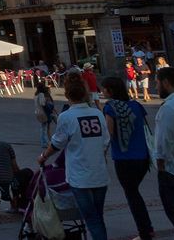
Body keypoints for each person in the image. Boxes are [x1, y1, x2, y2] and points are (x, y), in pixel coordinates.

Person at [37, 72, 109, 240]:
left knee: (91, 218)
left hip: (80, 175)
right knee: (98, 216)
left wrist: (43, 156)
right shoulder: (98, 114)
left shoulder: (67, 116)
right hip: (99, 173)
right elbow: (105, 142)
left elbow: (56, 143)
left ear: (67, 94)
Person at [100, 75, 153, 240]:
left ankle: (145, 231)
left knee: (132, 195)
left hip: (124, 159)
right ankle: (146, 229)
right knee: (134, 192)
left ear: (110, 90)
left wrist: (101, 154)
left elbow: (108, 134)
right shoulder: (136, 105)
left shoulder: (110, 107)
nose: (102, 91)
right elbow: (145, 129)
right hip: (143, 157)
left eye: (104, 88)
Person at [155, 66, 174, 229]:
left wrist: (160, 166)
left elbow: (162, 143)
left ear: (166, 83)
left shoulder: (168, 108)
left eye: (157, 83)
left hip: (172, 170)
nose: (156, 87)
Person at [34, 81, 56, 147]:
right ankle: (44, 142)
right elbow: (42, 103)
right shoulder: (41, 94)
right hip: (43, 113)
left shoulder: (36, 95)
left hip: (38, 112)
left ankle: (44, 141)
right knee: (44, 128)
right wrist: (46, 101)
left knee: (43, 128)